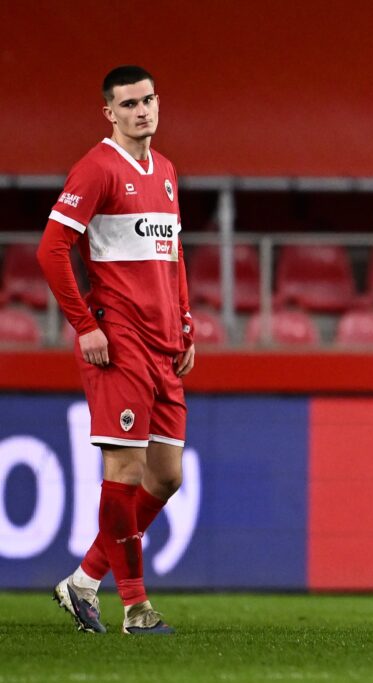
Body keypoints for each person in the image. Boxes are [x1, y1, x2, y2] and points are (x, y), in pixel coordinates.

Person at [38, 65, 193, 635]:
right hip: (119, 339)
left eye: (148, 100)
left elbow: (172, 255)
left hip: (163, 342)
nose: (141, 111)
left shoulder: (167, 171)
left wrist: (185, 324)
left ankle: (84, 581)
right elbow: (52, 249)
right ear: (109, 112)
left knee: (167, 476)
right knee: (125, 469)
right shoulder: (97, 168)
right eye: (128, 104)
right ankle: (136, 607)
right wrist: (85, 325)